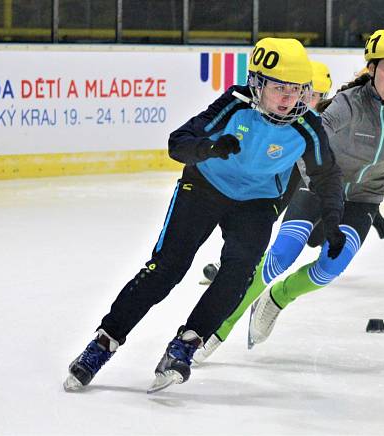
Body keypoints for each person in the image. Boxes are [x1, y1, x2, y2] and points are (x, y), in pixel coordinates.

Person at [63, 38, 346, 393]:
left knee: (239, 274)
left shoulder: (307, 125)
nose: (289, 98)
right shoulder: (235, 103)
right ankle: (103, 343)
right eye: (279, 88)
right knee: (167, 268)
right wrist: (209, 148)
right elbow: (178, 142)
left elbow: (327, 175)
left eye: (297, 90)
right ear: (258, 84)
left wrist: (333, 219)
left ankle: (186, 344)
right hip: (206, 186)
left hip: (257, 201)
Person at [193, 28, 384, 361]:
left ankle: (278, 299)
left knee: (329, 269)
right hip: (318, 189)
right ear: (371, 68)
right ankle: (217, 330)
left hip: (364, 199)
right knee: (280, 257)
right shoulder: (348, 104)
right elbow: (315, 133)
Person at [198, 60, 384, 286]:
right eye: (301, 94)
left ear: (323, 97)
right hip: (288, 182)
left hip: (316, 190)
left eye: (312, 96)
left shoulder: (326, 125)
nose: (303, 102)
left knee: (311, 236)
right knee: (264, 213)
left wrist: (370, 211)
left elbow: (344, 172)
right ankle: (237, 263)